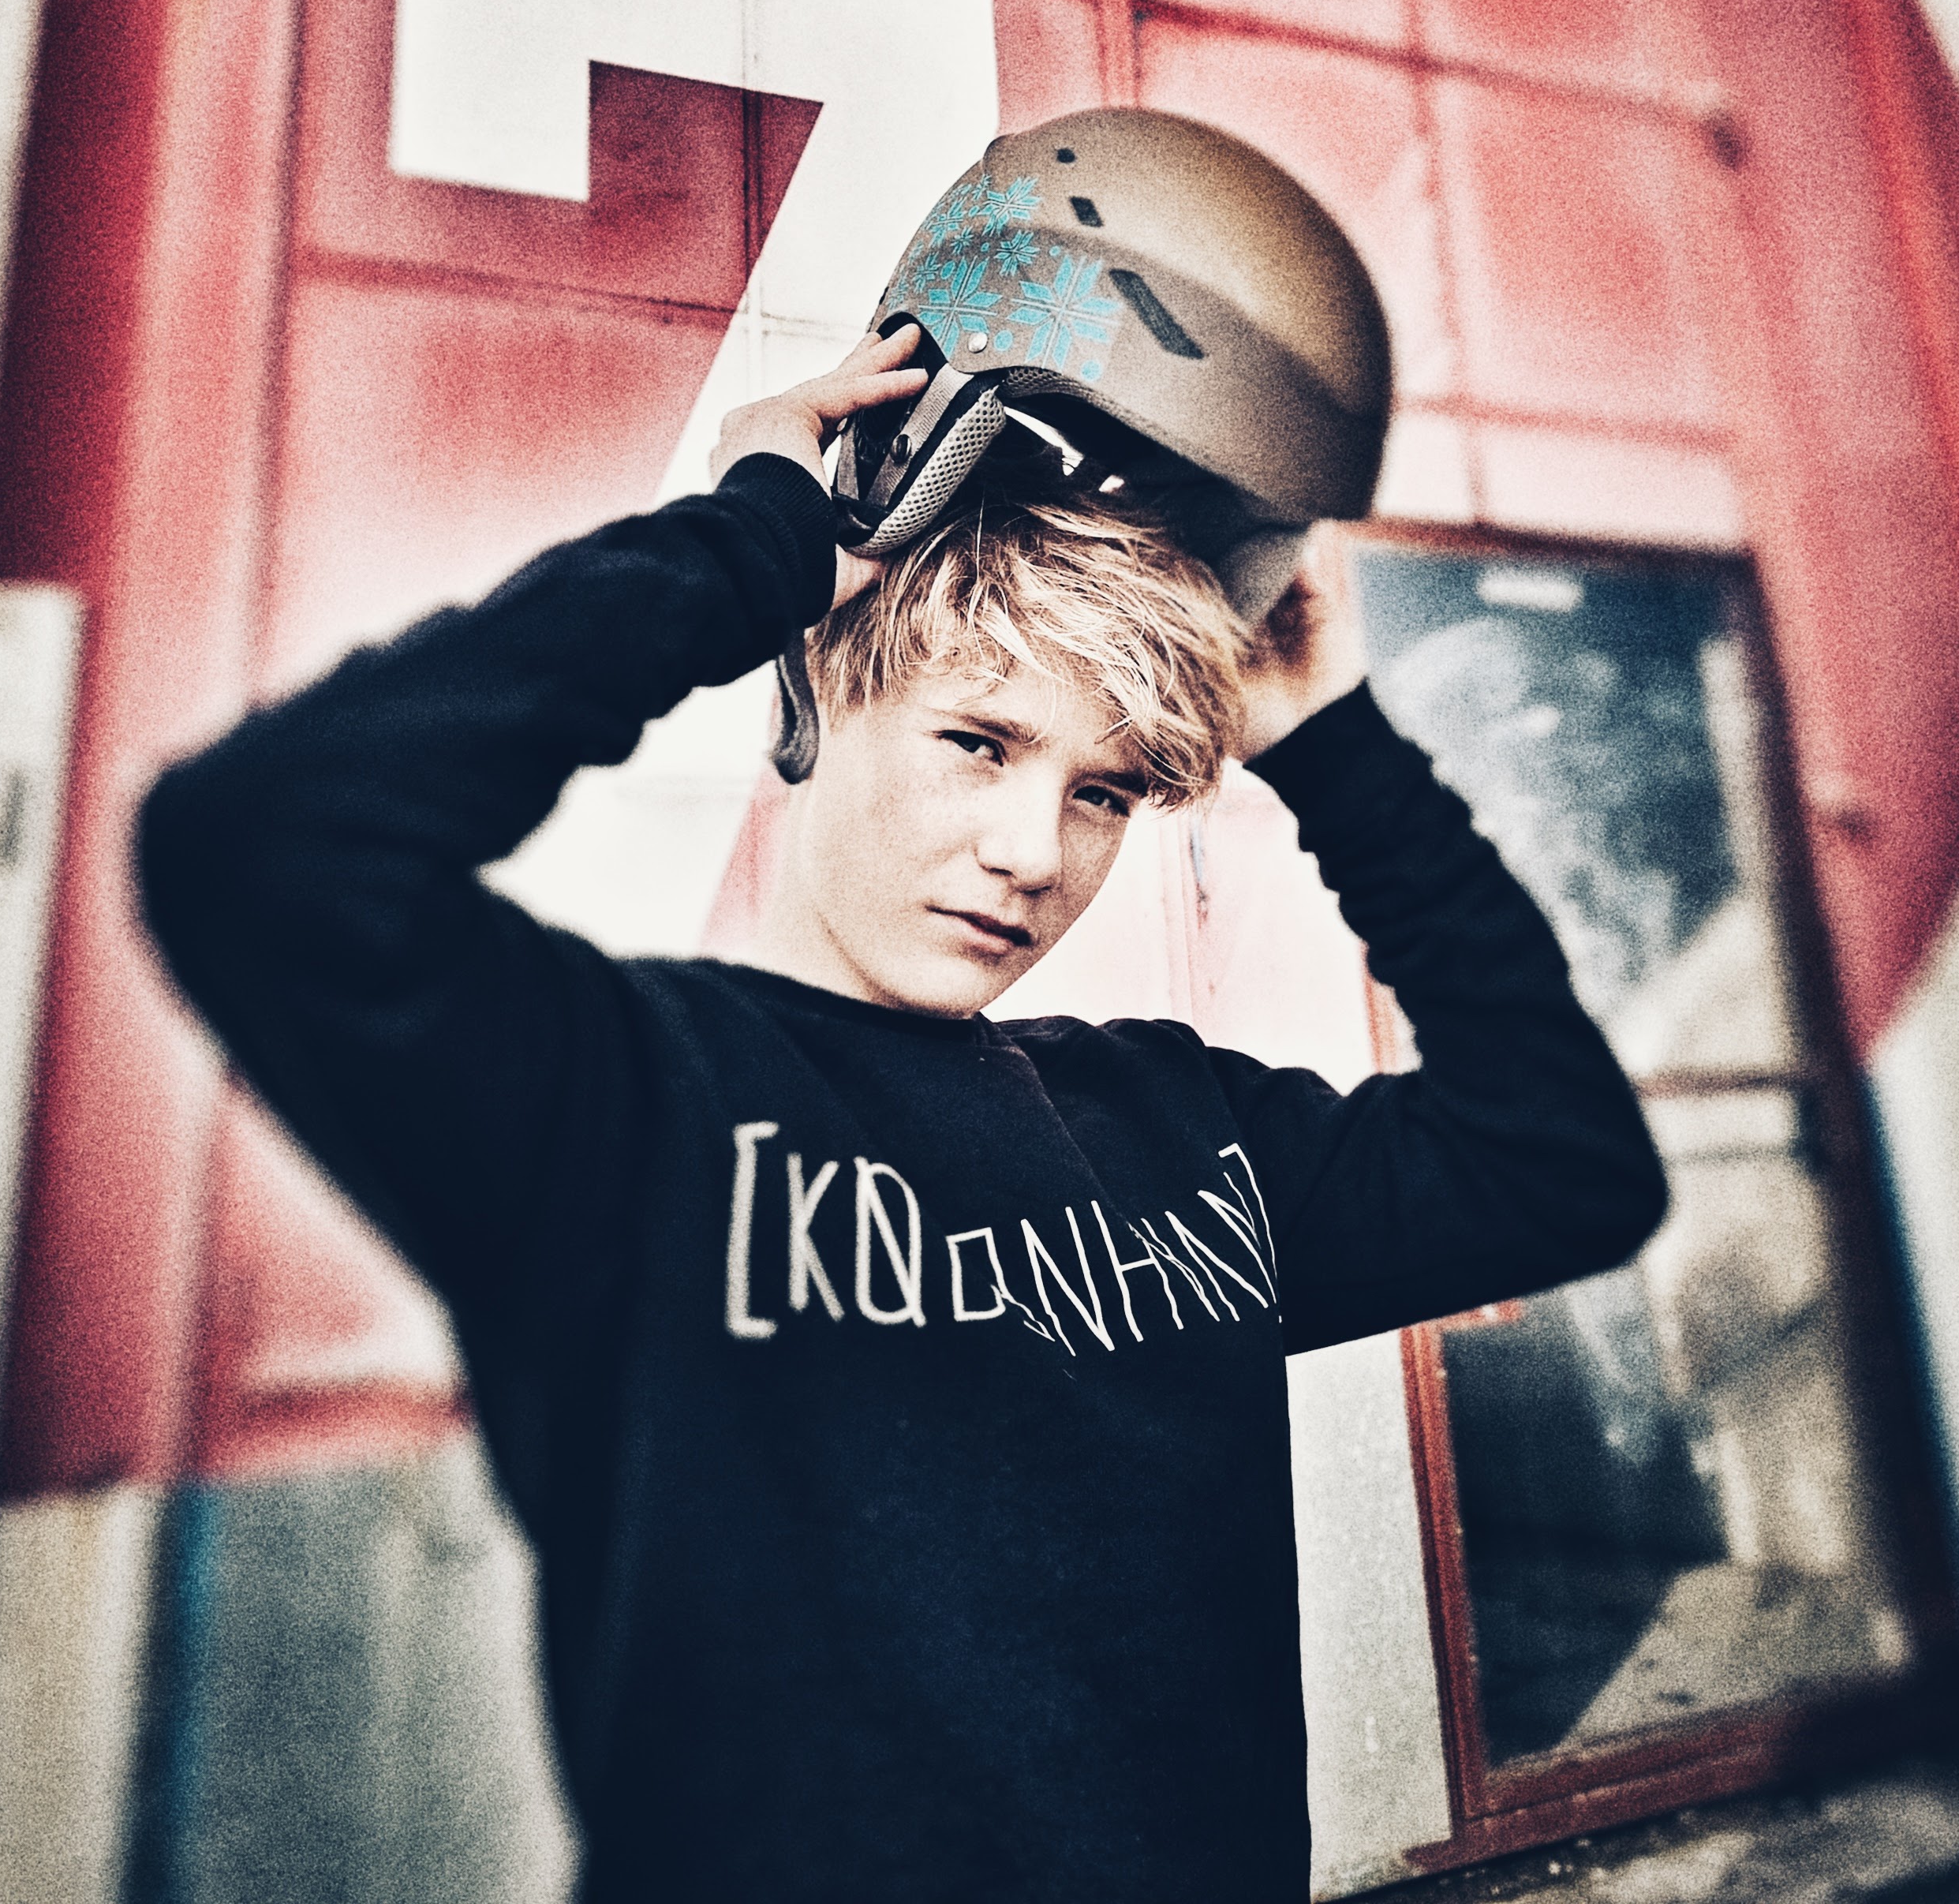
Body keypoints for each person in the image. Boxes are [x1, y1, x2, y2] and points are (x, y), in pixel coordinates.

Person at [138, 324, 1669, 1904]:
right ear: (820, 697)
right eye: (979, 742)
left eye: (1103, 790)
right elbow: (259, 845)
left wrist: (1335, 751)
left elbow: (1564, 1165)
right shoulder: (623, 1097)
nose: (1034, 849)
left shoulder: (1183, 1121)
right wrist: (750, 546)